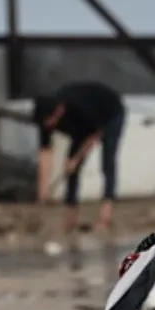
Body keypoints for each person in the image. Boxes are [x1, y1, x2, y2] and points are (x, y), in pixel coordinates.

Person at [33, 81, 126, 234]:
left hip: (109, 113)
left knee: (107, 162)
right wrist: (43, 193)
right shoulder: (45, 118)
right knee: (71, 168)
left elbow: (96, 134)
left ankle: (105, 216)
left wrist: (76, 158)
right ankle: (70, 217)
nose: (48, 126)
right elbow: (45, 153)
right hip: (81, 128)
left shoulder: (79, 107)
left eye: (51, 122)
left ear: (59, 111)